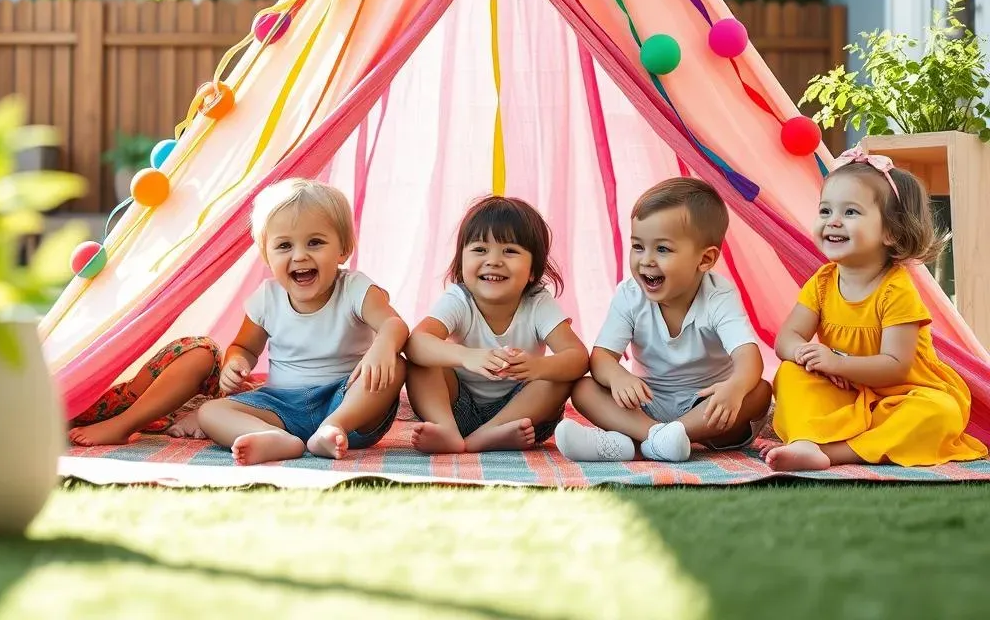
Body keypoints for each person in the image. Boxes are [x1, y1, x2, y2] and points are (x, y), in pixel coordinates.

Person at [765, 148, 987, 471]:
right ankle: (807, 440)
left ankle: (833, 452)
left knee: (941, 412)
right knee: (789, 374)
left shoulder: (896, 290)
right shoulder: (823, 282)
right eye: (825, 211)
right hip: (849, 394)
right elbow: (786, 338)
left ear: (890, 232)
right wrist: (811, 359)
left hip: (904, 395)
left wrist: (838, 364)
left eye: (851, 213)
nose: (833, 222)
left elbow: (895, 367)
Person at [555, 177, 771, 463]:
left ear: (705, 260)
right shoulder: (630, 294)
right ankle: (657, 438)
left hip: (705, 407)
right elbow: (602, 357)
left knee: (759, 391)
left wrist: (734, 387)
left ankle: (638, 442)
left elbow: (748, 355)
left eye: (663, 249)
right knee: (583, 388)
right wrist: (618, 376)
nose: (646, 261)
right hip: (646, 403)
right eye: (638, 246)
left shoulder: (718, 295)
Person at [197, 178, 408, 465]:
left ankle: (333, 427)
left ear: (343, 249)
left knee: (396, 365)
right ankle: (274, 438)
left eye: (315, 242)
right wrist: (236, 363)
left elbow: (394, 325)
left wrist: (383, 346)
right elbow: (244, 347)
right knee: (210, 413)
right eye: (284, 245)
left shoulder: (355, 288)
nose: (299, 255)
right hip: (281, 406)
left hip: (347, 403)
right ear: (266, 256)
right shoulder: (266, 299)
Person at [405, 195, 588, 453]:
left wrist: (537, 366)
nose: (493, 260)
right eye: (480, 249)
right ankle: (445, 429)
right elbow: (416, 342)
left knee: (560, 377)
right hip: (458, 409)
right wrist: (468, 357)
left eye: (510, 251)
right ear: (461, 261)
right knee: (420, 361)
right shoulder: (459, 299)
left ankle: (485, 436)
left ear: (533, 271)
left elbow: (578, 356)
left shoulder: (537, 303)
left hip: (522, 417)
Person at [68, 336, 221, 446]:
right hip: (113, 395)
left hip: (189, 404)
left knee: (202, 352)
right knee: (201, 350)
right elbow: (239, 347)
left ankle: (122, 424)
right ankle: (121, 424)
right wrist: (236, 362)